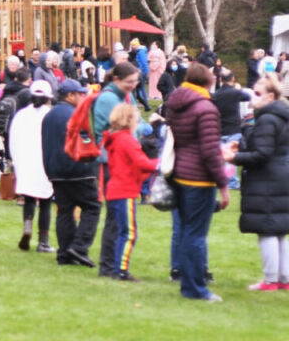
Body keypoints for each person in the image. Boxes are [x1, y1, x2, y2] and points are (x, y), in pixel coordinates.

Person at [164, 61, 229, 301]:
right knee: (196, 235)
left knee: (186, 231)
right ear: (208, 81)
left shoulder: (176, 103)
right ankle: (196, 288)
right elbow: (210, 151)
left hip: (180, 173)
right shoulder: (205, 107)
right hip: (200, 179)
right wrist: (223, 185)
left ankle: (187, 283)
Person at [223, 76, 289, 291]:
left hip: (267, 180)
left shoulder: (267, 119)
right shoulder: (279, 116)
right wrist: (243, 142)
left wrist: (233, 158)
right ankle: (284, 279)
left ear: (270, 96)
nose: (253, 97)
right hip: (279, 176)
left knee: (267, 229)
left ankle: (270, 280)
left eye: (258, 93)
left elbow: (262, 154)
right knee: (279, 230)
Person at [42, 79, 100, 267]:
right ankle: (79, 247)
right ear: (70, 96)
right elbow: (85, 139)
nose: (83, 97)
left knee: (64, 211)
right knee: (92, 206)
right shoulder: (76, 114)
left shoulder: (49, 115)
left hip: (55, 170)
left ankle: (64, 253)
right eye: (80, 94)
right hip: (78, 167)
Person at [92, 61, 142, 278]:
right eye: (129, 82)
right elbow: (121, 129)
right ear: (116, 79)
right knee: (116, 217)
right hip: (111, 162)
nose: (133, 85)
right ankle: (109, 266)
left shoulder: (124, 96)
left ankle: (111, 265)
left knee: (117, 217)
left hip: (120, 160)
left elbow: (135, 125)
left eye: (136, 81)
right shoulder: (109, 99)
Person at [102, 103, 158, 282]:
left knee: (121, 231)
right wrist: (160, 163)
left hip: (115, 189)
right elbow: (142, 162)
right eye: (136, 119)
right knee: (129, 233)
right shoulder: (127, 139)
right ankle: (121, 270)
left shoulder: (115, 138)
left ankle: (117, 268)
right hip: (124, 191)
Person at [9, 80, 54, 252]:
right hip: (44, 163)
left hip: (25, 163)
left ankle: (27, 228)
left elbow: (12, 141)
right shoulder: (49, 115)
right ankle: (43, 241)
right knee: (45, 202)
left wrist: (16, 162)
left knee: (29, 199)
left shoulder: (21, 115)